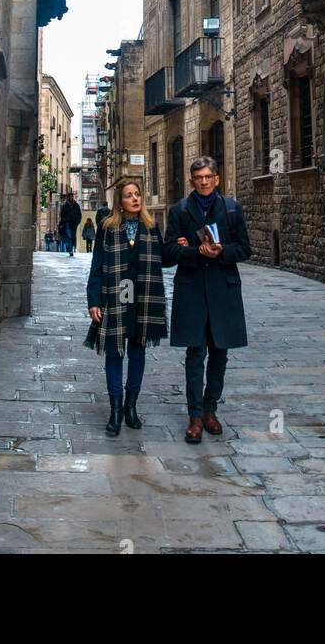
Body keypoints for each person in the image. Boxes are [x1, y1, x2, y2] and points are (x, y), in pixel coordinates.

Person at [163, 156, 251, 444]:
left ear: (216, 179)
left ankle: (211, 409)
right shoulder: (179, 211)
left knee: (220, 353)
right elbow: (167, 254)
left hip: (223, 290)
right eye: (198, 177)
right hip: (192, 291)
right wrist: (193, 252)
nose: (203, 181)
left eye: (208, 177)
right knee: (195, 354)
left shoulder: (231, 209)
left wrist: (222, 250)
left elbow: (244, 249)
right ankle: (195, 416)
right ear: (192, 181)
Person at [85, 179, 170, 436]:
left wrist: (183, 246)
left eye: (137, 194)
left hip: (144, 296)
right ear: (120, 203)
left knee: (138, 349)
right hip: (117, 295)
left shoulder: (151, 227)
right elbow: (97, 266)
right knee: (114, 351)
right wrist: (93, 301)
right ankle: (115, 410)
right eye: (128, 195)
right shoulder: (108, 229)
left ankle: (131, 406)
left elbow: (164, 259)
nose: (135, 199)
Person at [60, 191, 82, 257]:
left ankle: (72, 248)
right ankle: (70, 250)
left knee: (73, 236)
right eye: (70, 197)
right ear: (68, 198)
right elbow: (62, 214)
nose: (71, 198)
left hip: (74, 224)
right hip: (67, 223)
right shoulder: (65, 206)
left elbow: (79, 215)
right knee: (69, 236)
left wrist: (77, 222)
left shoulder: (76, 205)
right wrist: (65, 221)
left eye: (72, 196)